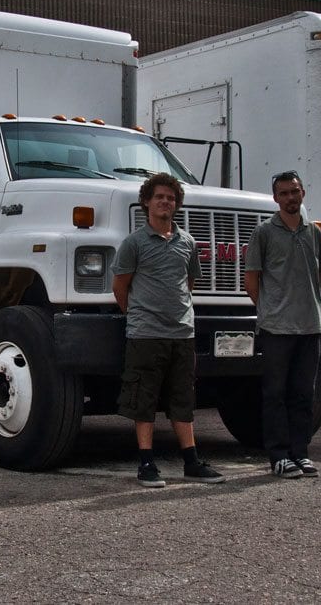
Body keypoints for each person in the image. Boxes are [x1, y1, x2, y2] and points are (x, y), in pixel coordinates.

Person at [112, 173, 226, 488]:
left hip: (182, 334)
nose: (166, 202)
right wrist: (138, 315)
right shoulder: (133, 243)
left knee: (182, 398)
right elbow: (120, 287)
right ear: (146, 201)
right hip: (145, 334)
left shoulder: (187, 243)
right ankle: (146, 463)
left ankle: (191, 461)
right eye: (160, 197)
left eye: (171, 198)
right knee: (143, 397)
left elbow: (188, 284)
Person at [245, 170, 321, 478]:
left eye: (295, 191)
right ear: (275, 198)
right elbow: (251, 280)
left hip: (310, 325)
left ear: (303, 193)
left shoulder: (314, 233)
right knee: (275, 394)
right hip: (276, 328)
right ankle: (278, 456)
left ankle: (300, 453)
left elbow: (318, 275)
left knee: (304, 394)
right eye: (284, 193)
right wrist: (269, 310)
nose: (290, 197)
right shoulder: (264, 232)